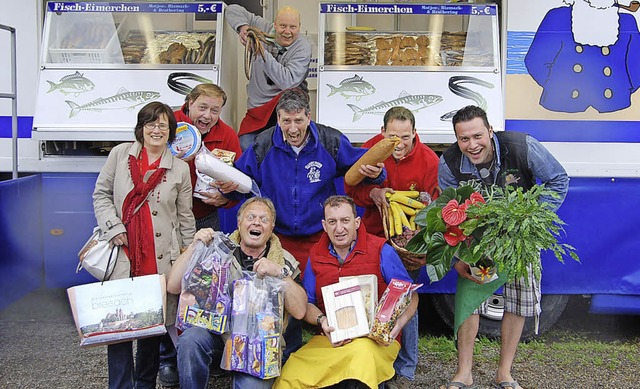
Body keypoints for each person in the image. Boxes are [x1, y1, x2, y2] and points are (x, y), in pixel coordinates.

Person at [438, 105, 569, 389]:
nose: (472, 145)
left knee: (518, 301)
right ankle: (464, 373)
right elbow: (448, 213)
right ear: (456, 140)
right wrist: (456, 259)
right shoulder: (448, 163)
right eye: (463, 139)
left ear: (490, 130)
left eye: (477, 136)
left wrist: (530, 217)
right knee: (469, 301)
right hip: (477, 240)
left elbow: (558, 180)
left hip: (519, 239)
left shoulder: (522, 146)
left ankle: (504, 373)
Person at [93, 101, 196, 389]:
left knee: (152, 329)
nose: (157, 130)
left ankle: (144, 384)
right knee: (119, 328)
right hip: (124, 253)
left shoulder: (179, 169)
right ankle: (121, 385)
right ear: (141, 128)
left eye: (163, 125)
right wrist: (113, 227)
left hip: (160, 258)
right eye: (151, 123)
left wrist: (189, 258)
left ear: (171, 132)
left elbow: (185, 217)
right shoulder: (119, 155)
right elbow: (100, 194)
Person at [273, 195, 419, 389]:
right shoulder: (316, 255)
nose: (339, 228)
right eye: (332, 222)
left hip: (373, 341)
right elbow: (307, 303)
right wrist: (322, 321)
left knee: (360, 362)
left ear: (357, 222)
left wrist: (398, 324)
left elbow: (410, 295)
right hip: (330, 340)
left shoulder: (381, 250)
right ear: (324, 225)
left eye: (345, 220)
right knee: (291, 372)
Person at [166, 197, 307, 389]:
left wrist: (279, 274)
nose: (257, 222)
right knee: (191, 340)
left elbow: (299, 311)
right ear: (239, 222)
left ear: (272, 227)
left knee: (252, 387)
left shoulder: (284, 261)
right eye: (251, 217)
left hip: (258, 346)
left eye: (264, 219)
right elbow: (173, 286)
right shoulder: (216, 250)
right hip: (218, 333)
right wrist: (194, 246)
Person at [345, 106, 440, 388]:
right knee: (370, 298)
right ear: (383, 131)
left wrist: (424, 208)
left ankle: (407, 366)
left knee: (405, 299)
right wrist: (372, 192)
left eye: (406, 137)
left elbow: (436, 202)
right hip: (372, 235)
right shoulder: (370, 150)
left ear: (415, 133)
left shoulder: (429, 160)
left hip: (407, 243)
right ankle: (372, 358)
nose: (399, 143)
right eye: (393, 136)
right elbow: (350, 189)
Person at [159, 83, 241, 387]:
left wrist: (227, 198)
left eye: (214, 110)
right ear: (188, 104)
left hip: (205, 217)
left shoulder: (228, 135)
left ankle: (203, 350)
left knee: (208, 286)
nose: (207, 116)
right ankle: (168, 359)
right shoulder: (168, 125)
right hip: (169, 222)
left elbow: (237, 182)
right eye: (202, 108)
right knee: (170, 287)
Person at [525, 0, 640, 113]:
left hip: (615, 105)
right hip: (562, 105)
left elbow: (636, 65)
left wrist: (622, 91)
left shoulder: (627, 21)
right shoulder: (557, 17)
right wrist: (558, 89)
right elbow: (536, 60)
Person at [225, 4, 312, 150]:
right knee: (245, 146)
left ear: (299, 27)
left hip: (288, 108)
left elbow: (288, 81)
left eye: (293, 27)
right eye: (283, 26)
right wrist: (243, 27)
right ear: (274, 25)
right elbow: (232, 9)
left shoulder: (303, 47)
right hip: (258, 108)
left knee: (286, 148)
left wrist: (261, 51)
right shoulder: (263, 28)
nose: (287, 32)